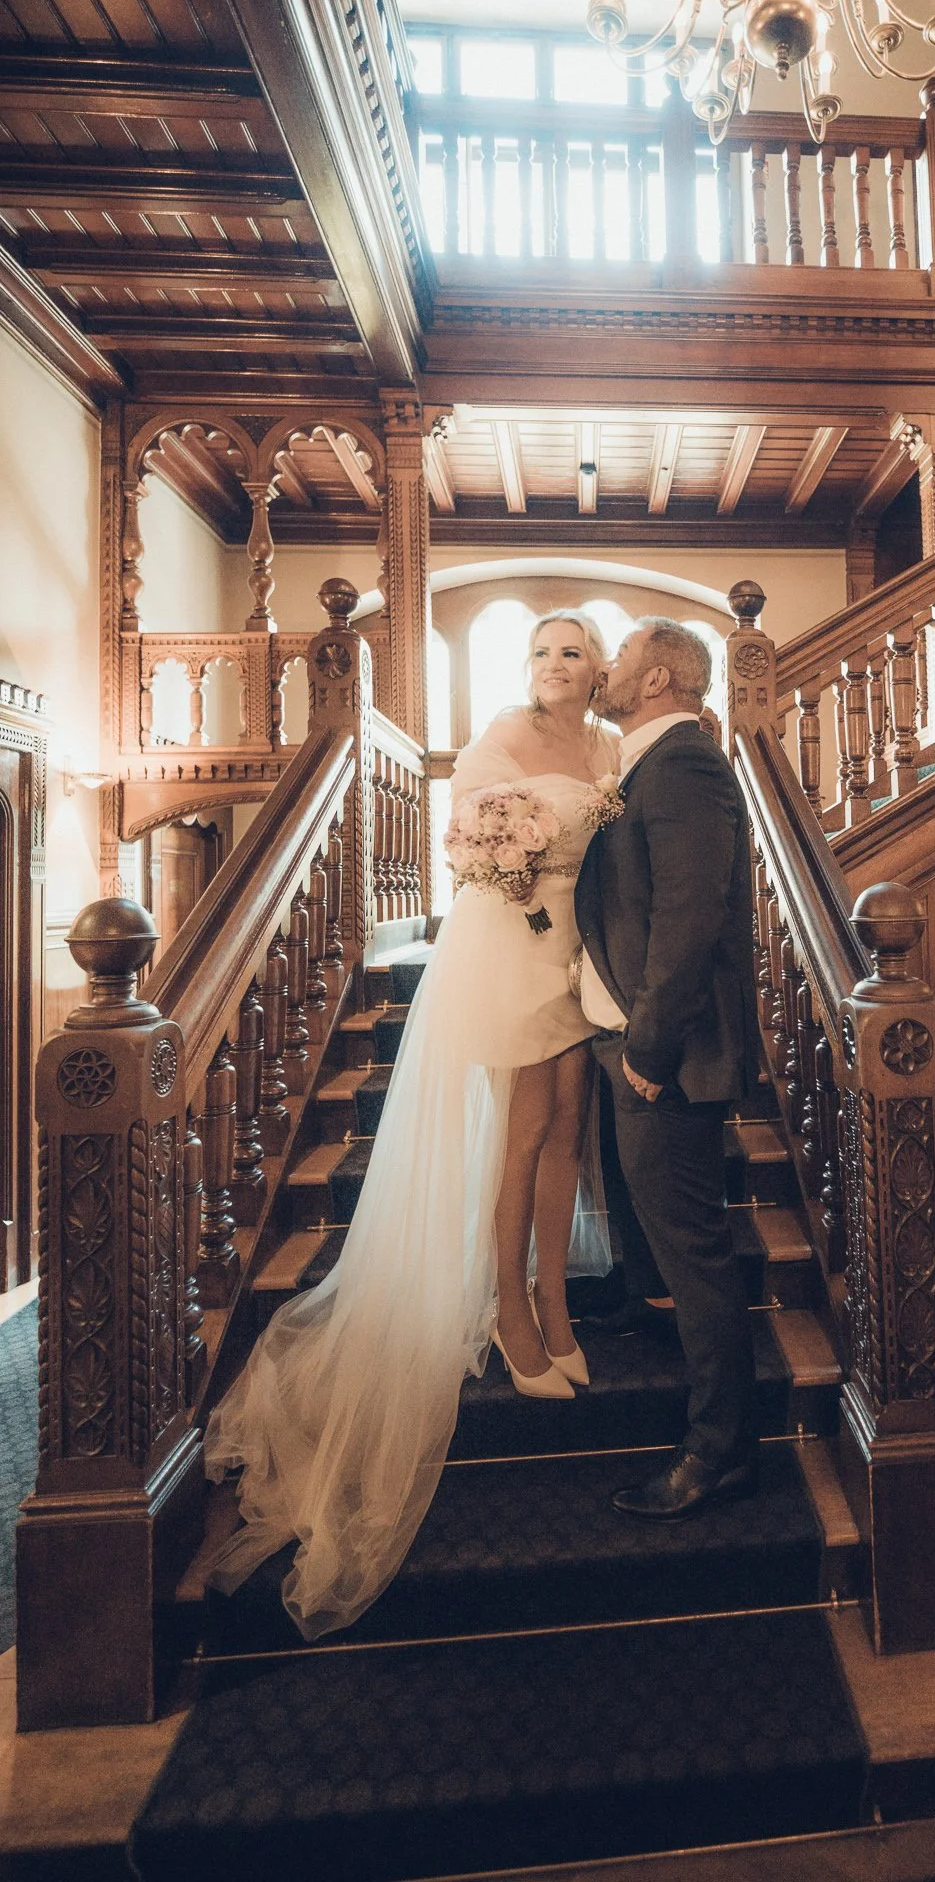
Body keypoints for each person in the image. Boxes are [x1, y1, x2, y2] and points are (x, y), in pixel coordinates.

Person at [203, 613, 619, 1639]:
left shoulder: (608, 746)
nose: (556, 665)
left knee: (570, 1123)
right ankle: (512, 1313)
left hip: (581, 946)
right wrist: (510, 867)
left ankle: (558, 1303)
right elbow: (469, 847)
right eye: (542, 651)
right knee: (521, 1131)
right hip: (511, 942)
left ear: (602, 666)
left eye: (573, 650)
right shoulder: (500, 738)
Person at [575, 618, 762, 1520]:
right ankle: (637, 1306)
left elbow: (691, 919)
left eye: (618, 660)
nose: (603, 671)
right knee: (659, 1238)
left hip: (671, 1060)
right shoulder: (641, 767)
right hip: (630, 1046)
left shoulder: (683, 765)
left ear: (657, 680)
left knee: (700, 1259)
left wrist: (648, 1052)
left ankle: (718, 1451)